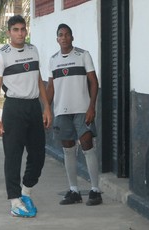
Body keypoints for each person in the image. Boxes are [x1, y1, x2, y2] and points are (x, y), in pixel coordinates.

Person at [0, 15, 52, 218]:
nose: (20, 33)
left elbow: (38, 80)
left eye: (22, 29)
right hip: (14, 108)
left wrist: (46, 108)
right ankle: (15, 201)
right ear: (9, 32)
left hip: (33, 107)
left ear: (26, 31)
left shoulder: (33, 50)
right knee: (13, 156)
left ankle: (26, 192)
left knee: (38, 155)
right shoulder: (2, 55)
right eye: (15, 29)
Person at [46, 23, 102, 206]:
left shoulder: (83, 55)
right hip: (62, 111)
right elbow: (51, 87)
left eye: (67, 34)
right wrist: (46, 109)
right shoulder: (53, 60)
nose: (63, 38)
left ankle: (95, 190)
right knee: (68, 149)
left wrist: (92, 107)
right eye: (60, 35)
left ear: (72, 37)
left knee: (87, 146)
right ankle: (74, 191)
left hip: (82, 110)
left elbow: (94, 82)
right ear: (57, 39)